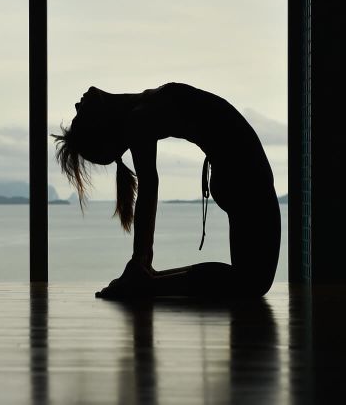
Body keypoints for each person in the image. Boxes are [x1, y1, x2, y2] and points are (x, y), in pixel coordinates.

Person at [54, 83, 280, 299]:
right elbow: (148, 187)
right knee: (251, 284)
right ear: (101, 124)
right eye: (78, 117)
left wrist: (140, 264)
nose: (76, 106)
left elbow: (148, 185)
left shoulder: (142, 107)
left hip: (238, 175)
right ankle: (144, 284)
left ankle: (145, 283)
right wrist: (140, 259)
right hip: (243, 174)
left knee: (248, 281)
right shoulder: (138, 118)